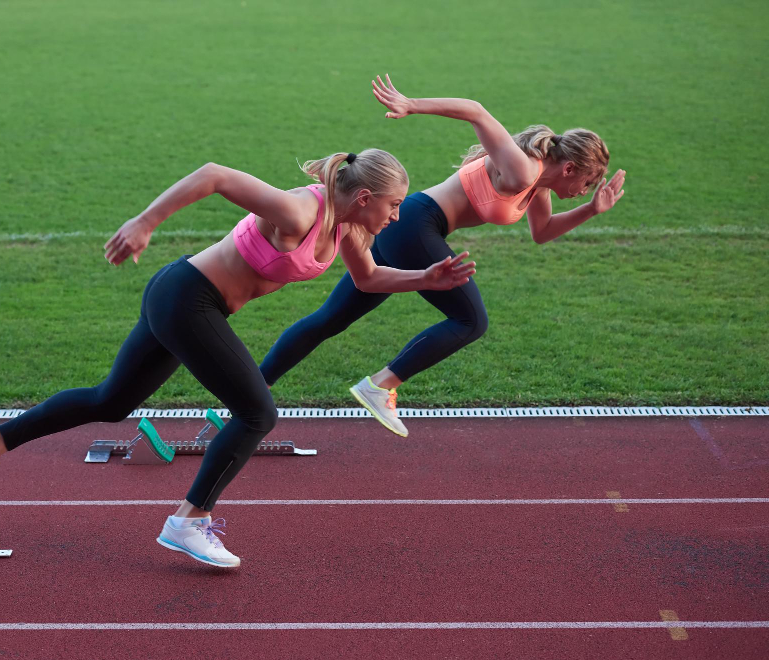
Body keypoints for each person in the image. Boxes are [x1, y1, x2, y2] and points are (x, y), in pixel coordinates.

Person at [0, 149, 476, 567]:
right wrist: (146, 221)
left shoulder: (349, 227)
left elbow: (367, 278)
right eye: (393, 205)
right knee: (257, 414)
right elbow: (215, 174)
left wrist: (424, 279)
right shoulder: (300, 209)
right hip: (189, 298)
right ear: (364, 198)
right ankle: (189, 520)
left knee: (111, 401)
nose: (398, 215)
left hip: (184, 299)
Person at [260, 76, 627, 437]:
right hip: (417, 225)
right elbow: (476, 112)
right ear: (569, 169)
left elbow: (542, 232)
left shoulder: (538, 186)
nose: (584, 192)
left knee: (329, 320)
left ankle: (248, 396)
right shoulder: (523, 170)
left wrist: (592, 211)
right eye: (587, 184)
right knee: (471, 320)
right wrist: (411, 105)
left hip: (410, 228)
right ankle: (381, 385)